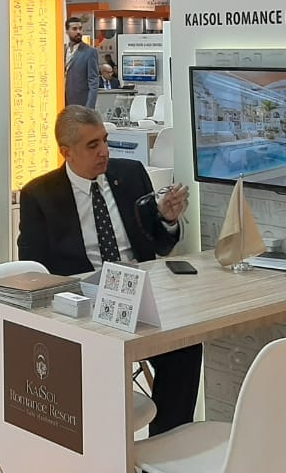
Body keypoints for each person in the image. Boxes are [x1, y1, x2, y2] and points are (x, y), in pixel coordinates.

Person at [18, 105, 201, 436]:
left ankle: (165, 445)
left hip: (138, 295)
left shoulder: (130, 174)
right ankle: (102, 443)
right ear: (66, 152)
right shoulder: (40, 194)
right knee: (99, 359)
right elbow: (35, 268)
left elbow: (160, 245)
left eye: (105, 140)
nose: (104, 151)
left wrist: (167, 220)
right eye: (93, 145)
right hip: (84, 304)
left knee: (186, 347)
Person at [64, 17, 100, 108]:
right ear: (67, 31)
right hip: (61, 101)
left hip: (80, 103)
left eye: (80, 28)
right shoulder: (62, 50)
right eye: (74, 29)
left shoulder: (90, 52)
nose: (78, 32)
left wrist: (89, 108)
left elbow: (93, 83)